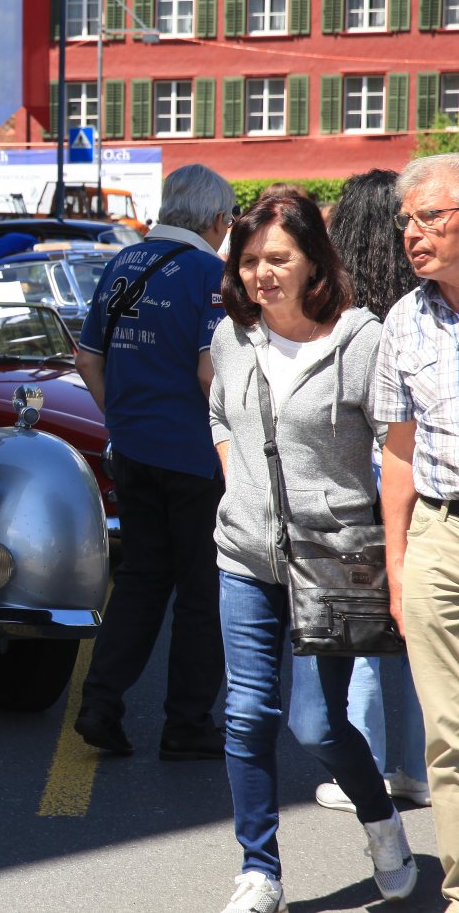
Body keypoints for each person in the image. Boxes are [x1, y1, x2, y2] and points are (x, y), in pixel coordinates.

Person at [209, 193, 415, 913]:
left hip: (332, 562)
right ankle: (258, 870)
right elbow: (219, 412)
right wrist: (242, 485)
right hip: (245, 557)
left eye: (278, 258)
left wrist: (394, 546)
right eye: (249, 260)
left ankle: (381, 822)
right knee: (245, 714)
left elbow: (397, 444)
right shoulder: (232, 336)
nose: (261, 273)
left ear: (313, 263)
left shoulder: (360, 340)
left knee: (319, 724)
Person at [72, 163, 231, 760]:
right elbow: (209, 372)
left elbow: (87, 358)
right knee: (201, 591)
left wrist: (122, 419)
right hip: (194, 454)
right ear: (217, 219)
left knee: (140, 580)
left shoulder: (122, 263)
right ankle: (187, 724)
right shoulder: (209, 275)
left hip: (134, 450)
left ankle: (99, 703)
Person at [309, 169, 429, 814]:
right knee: (419, 629)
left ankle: (368, 764)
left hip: (361, 478)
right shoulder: (424, 303)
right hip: (421, 474)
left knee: (362, 630)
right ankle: (417, 765)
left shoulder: (339, 309)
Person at [372, 152, 459, 909]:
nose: (412, 233)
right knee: (449, 736)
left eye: (430, 216)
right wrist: (398, 565)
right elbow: (398, 453)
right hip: (438, 533)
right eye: (408, 220)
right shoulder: (405, 320)